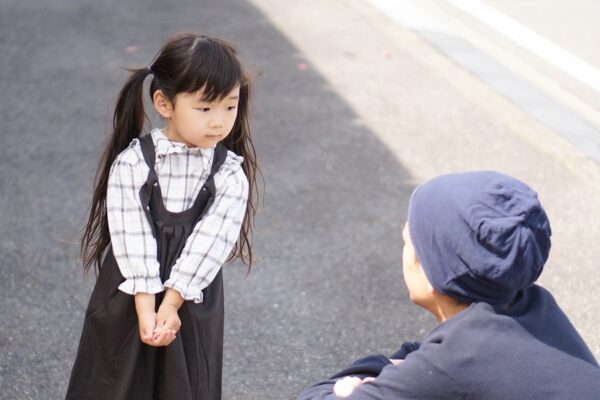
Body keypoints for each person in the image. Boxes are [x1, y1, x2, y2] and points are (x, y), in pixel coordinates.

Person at [66, 32, 258, 400]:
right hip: (129, 293)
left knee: (183, 385)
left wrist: (170, 305)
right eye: (205, 108)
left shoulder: (229, 172)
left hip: (189, 297)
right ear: (164, 104)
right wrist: (146, 308)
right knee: (114, 382)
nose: (219, 122)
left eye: (230, 106)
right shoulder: (135, 162)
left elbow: (212, 242)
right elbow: (130, 234)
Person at [298, 171, 600, 399]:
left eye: (408, 242)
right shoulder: (536, 305)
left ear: (432, 275)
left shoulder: (453, 362)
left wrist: (369, 373)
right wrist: (407, 362)